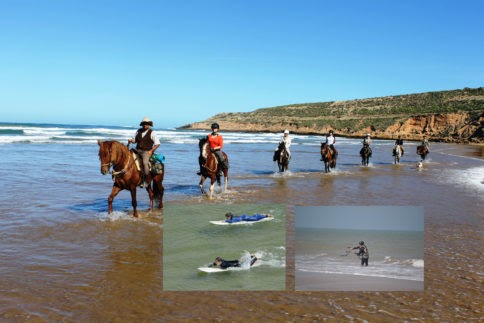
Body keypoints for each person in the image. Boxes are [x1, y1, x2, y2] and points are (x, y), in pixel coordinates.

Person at [128, 117, 160, 188]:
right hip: (137, 149)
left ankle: (145, 180)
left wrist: (151, 151)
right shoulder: (138, 131)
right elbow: (135, 140)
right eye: (144, 124)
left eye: (147, 124)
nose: (145, 125)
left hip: (146, 151)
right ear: (142, 124)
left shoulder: (152, 133)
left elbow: (157, 144)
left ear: (149, 125)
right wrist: (131, 140)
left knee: (145, 163)